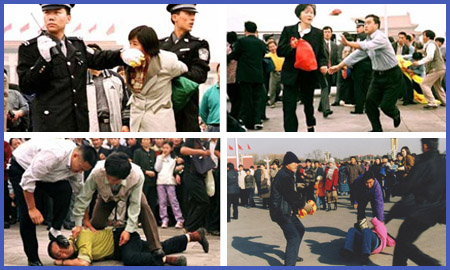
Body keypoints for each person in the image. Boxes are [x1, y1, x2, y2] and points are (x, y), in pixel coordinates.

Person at [17, 4, 144, 132]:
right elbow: (26, 86)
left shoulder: (76, 45)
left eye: (56, 12)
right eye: (47, 13)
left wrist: (121, 55)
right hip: (50, 125)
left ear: (68, 18)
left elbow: (99, 58)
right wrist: (43, 61)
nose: (51, 17)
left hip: (78, 123)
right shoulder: (30, 48)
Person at [8, 139, 97, 266]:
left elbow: (80, 194)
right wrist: (32, 208)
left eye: (84, 170)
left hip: (46, 174)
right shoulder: (54, 154)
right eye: (80, 168)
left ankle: (55, 230)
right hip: (22, 168)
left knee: (65, 190)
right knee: (27, 216)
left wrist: (86, 219)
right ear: (76, 155)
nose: (80, 172)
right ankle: (33, 258)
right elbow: (27, 181)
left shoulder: (76, 166)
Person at [72, 153, 164, 259]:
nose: (111, 182)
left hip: (129, 194)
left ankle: (156, 247)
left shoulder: (137, 175)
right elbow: (83, 198)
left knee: (143, 205)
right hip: (106, 196)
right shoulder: (96, 172)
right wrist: (78, 224)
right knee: (96, 223)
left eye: (115, 180)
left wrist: (128, 230)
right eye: (109, 178)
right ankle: (97, 246)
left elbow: (135, 205)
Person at [329, 14, 404, 132]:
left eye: (369, 23)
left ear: (377, 25)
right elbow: (356, 55)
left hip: (392, 76)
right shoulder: (367, 39)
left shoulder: (381, 38)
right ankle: (376, 129)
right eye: (365, 23)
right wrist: (339, 66)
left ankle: (395, 114)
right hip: (377, 76)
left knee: (386, 106)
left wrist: (348, 43)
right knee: (369, 103)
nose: (365, 25)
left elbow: (365, 46)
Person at [387, 139, 445, 266]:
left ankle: (432, 265)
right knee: (403, 240)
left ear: (425, 146)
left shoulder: (424, 162)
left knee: (403, 243)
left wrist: (395, 189)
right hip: (437, 210)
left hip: (422, 211)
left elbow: (408, 186)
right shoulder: (443, 161)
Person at [126, 26, 188, 132]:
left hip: (159, 119)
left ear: (147, 44)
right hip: (137, 120)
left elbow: (184, 68)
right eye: (130, 43)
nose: (131, 48)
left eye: (135, 44)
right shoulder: (129, 61)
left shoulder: (166, 61)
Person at [160, 4, 210, 132]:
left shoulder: (198, 44)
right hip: (161, 105)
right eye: (188, 14)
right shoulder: (159, 45)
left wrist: (172, 72)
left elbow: (200, 75)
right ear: (174, 16)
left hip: (186, 107)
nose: (192, 18)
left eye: (193, 14)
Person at [277, 4, 327, 132]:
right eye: (306, 12)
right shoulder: (288, 30)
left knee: (308, 105)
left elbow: (321, 54)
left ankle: (310, 126)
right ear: (299, 14)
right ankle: (291, 132)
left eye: (312, 13)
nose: (310, 15)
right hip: (290, 75)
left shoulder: (317, 33)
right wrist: (291, 47)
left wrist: (323, 65)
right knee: (289, 107)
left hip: (308, 75)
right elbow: (280, 51)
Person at [47, 226, 209, 266]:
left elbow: (84, 263)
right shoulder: (73, 242)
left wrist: (60, 263)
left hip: (122, 238)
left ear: (63, 241)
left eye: (60, 248)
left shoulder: (81, 238)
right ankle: (193, 236)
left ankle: (168, 260)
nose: (62, 253)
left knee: (131, 260)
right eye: (58, 255)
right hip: (119, 247)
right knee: (158, 246)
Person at [269, 152, 313, 266]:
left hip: (287, 210)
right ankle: (289, 264)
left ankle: (292, 255)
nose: (296, 165)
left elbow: (288, 191)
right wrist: (304, 205)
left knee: (300, 229)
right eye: (294, 163)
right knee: (293, 236)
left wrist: (298, 187)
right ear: (287, 163)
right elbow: (290, 194)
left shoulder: (287, 173)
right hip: (281, 212)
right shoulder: (284, 175)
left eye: (297, 163)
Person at [227, 21, 266, 130]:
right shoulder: (261, 43)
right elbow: (262, 55)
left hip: (245, 75)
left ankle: (248, 122)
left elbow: (235, 54)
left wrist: (226, 58)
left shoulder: (241, 42)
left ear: (245, 30)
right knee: (257, 99)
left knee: (246, 99)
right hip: (258, 75)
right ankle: (257, 121)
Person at [85, 44, 129, 132]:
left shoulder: (116, 78)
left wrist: (126, 124)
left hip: (114, 124)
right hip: (91, 125)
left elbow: (125, 103)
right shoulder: (81, 80)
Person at [180, 139, 212, 232]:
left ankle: (189, 226)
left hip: (200, 175)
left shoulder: (204, 143)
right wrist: (201, 152)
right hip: (191, 175)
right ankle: (189, 226)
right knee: (204, 201)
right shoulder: (192, 139)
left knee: (196, 202)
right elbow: (183, 150)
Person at [413, 30, 446, 109]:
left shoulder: (431, 44)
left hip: (436, 68)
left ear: (427, 37)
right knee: (437, 85)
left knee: (424, 84)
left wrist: (419, 62)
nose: (422, 37)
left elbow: (430, 56)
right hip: (440, 68)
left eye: (423, 36)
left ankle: (432, 102)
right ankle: (445, 101)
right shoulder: (429, 44)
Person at [155, 141, 184, 229]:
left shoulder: (174, 158)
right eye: (164, 148)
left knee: (173, 201)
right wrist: (161, 158)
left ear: (171, 149)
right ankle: (164, 220)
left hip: (170, 182)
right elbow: (157, 168)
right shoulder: (159, 157)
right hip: (160, 181)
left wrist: (179, 169)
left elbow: (179, 168)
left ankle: (179, 220)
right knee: (162, 202)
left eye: (167, 148)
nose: (165, 150)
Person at [132, 138, 157, 219]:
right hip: (143, 179)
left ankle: (151, 218)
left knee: (152, 200)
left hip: (153, 180)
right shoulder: (138, 152)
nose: (146, 141)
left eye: (147, 139)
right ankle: (141, 219)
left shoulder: (153, 152)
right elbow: (136, 165)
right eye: (144, 139)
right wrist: (146, 172)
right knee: (142, 200)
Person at [319, 26, 339, 117]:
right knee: (325, 88)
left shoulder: (335, 46)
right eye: (325, 32)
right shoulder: (319, 44)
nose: (327, 33)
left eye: (328, 32)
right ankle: (326, 109)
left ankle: (321, 106)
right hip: (322, 70)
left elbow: (337, 58)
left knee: (328, 89)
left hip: (331, 70)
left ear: (331, 33)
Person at [200, 64, 220, 132]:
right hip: (214, 127)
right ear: (217, 73)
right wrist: (210, 123)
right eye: (220, 71)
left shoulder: (233, 91)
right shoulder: (209, 92)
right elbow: (202, 112)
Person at [265, 41, 285, 107]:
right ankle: (272, 102)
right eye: (270, 47)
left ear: (276, 46)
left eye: (273, 46)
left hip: (283, 72)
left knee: (282, 87)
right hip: (273, 72)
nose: (272, 48)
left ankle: (286, 101)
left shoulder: (281, 53)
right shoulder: (267, 56)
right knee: (272, 88)